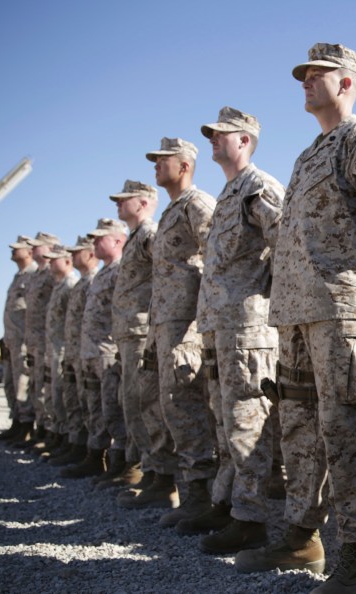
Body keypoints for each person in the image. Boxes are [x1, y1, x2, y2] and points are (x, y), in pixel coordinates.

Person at [236, 44, 356, 594]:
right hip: (296, 317)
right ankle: (302, 536)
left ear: (348, 83)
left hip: (345, 315)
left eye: (317, 75)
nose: (306, 82)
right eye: (303, 76)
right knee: (301, 432)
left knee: (348, 433)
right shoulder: (310, 154)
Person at [191, 106, 283, 555]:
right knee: (224, 422)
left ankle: (251, 519)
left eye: (220, 134)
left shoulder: (258, 187)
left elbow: (286, 245)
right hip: (219, 328)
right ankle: (227, 503)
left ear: (244, 140)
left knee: (248, 424)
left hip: (248, 330)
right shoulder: (228, 193)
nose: (212, 139)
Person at [137, 137, 218, 522]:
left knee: (187, 408)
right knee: (168, 405)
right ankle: (187, 491)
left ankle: (202, 498)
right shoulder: (172, 211)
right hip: (165, 322)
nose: (156, 165)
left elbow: (215, 258)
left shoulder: (197, 205)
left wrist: (199, 324)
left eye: (162, 160)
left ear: (184, 166)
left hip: (187, 324)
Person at [104, 180, 177, 502]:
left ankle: (161, 478)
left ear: (145, 202)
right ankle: (149, 470)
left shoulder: (150, 234)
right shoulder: (136, 237)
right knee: (132, 405)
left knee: (145, 405)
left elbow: (166, 276)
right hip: (128, 334)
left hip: (142, 332)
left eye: (125, 199)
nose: (118, 204)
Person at [61, 219, 128, 479]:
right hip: (91, 352)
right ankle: (95, 455)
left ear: (117, 241)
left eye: (100, 238)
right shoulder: (103, 273)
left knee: (113, 409)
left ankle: (121, 462)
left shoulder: (120, 270)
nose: (95, 243)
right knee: (94, 407)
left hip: (109, 352)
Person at [50, 236, 100, 468]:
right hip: (76, 351)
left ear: (89, 254)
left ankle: (96, 454)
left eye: (77, 252)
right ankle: (76, 444)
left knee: (97, 405)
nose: (73, 255)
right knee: (77, 400)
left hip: (93, 351)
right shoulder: (80, 283)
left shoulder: (90, 281)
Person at [15, 232, 61, 449]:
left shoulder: (53, 275)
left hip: (48, 340)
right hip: (33, 340)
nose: (33, 250)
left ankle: (49, 431)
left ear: (50, 248)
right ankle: (38, 429)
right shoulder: (36, 276)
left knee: (48, 387)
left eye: (38, 246)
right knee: (36, 385)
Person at [0, 235, 37, 442]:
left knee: (23, 383)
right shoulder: (18, 277)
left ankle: (26, 426)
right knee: (10, 383)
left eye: (18, 248)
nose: (13, 251)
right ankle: (17, 422)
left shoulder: (33, 276)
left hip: (23, 341)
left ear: (30, 252)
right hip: (11, 340)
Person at [40, 245, 78, 459]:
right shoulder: (59, 286)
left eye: (55, 259)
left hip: (66, 348)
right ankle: (61, 436)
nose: (50, 264)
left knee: (65, 395)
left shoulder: (70, 285)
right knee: (55, 394)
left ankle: (68, 439)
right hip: (55, 348)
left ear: (67, 262)